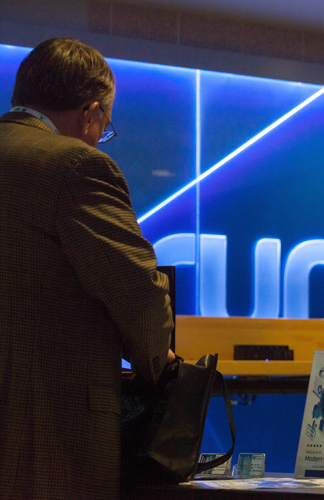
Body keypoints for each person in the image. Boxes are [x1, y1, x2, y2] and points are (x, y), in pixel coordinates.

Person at [0, 38, 175, 500]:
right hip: (49, 432)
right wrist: (158, 366)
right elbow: (137, 292)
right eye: (104, 125)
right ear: (91, 113)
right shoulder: (77, 166)